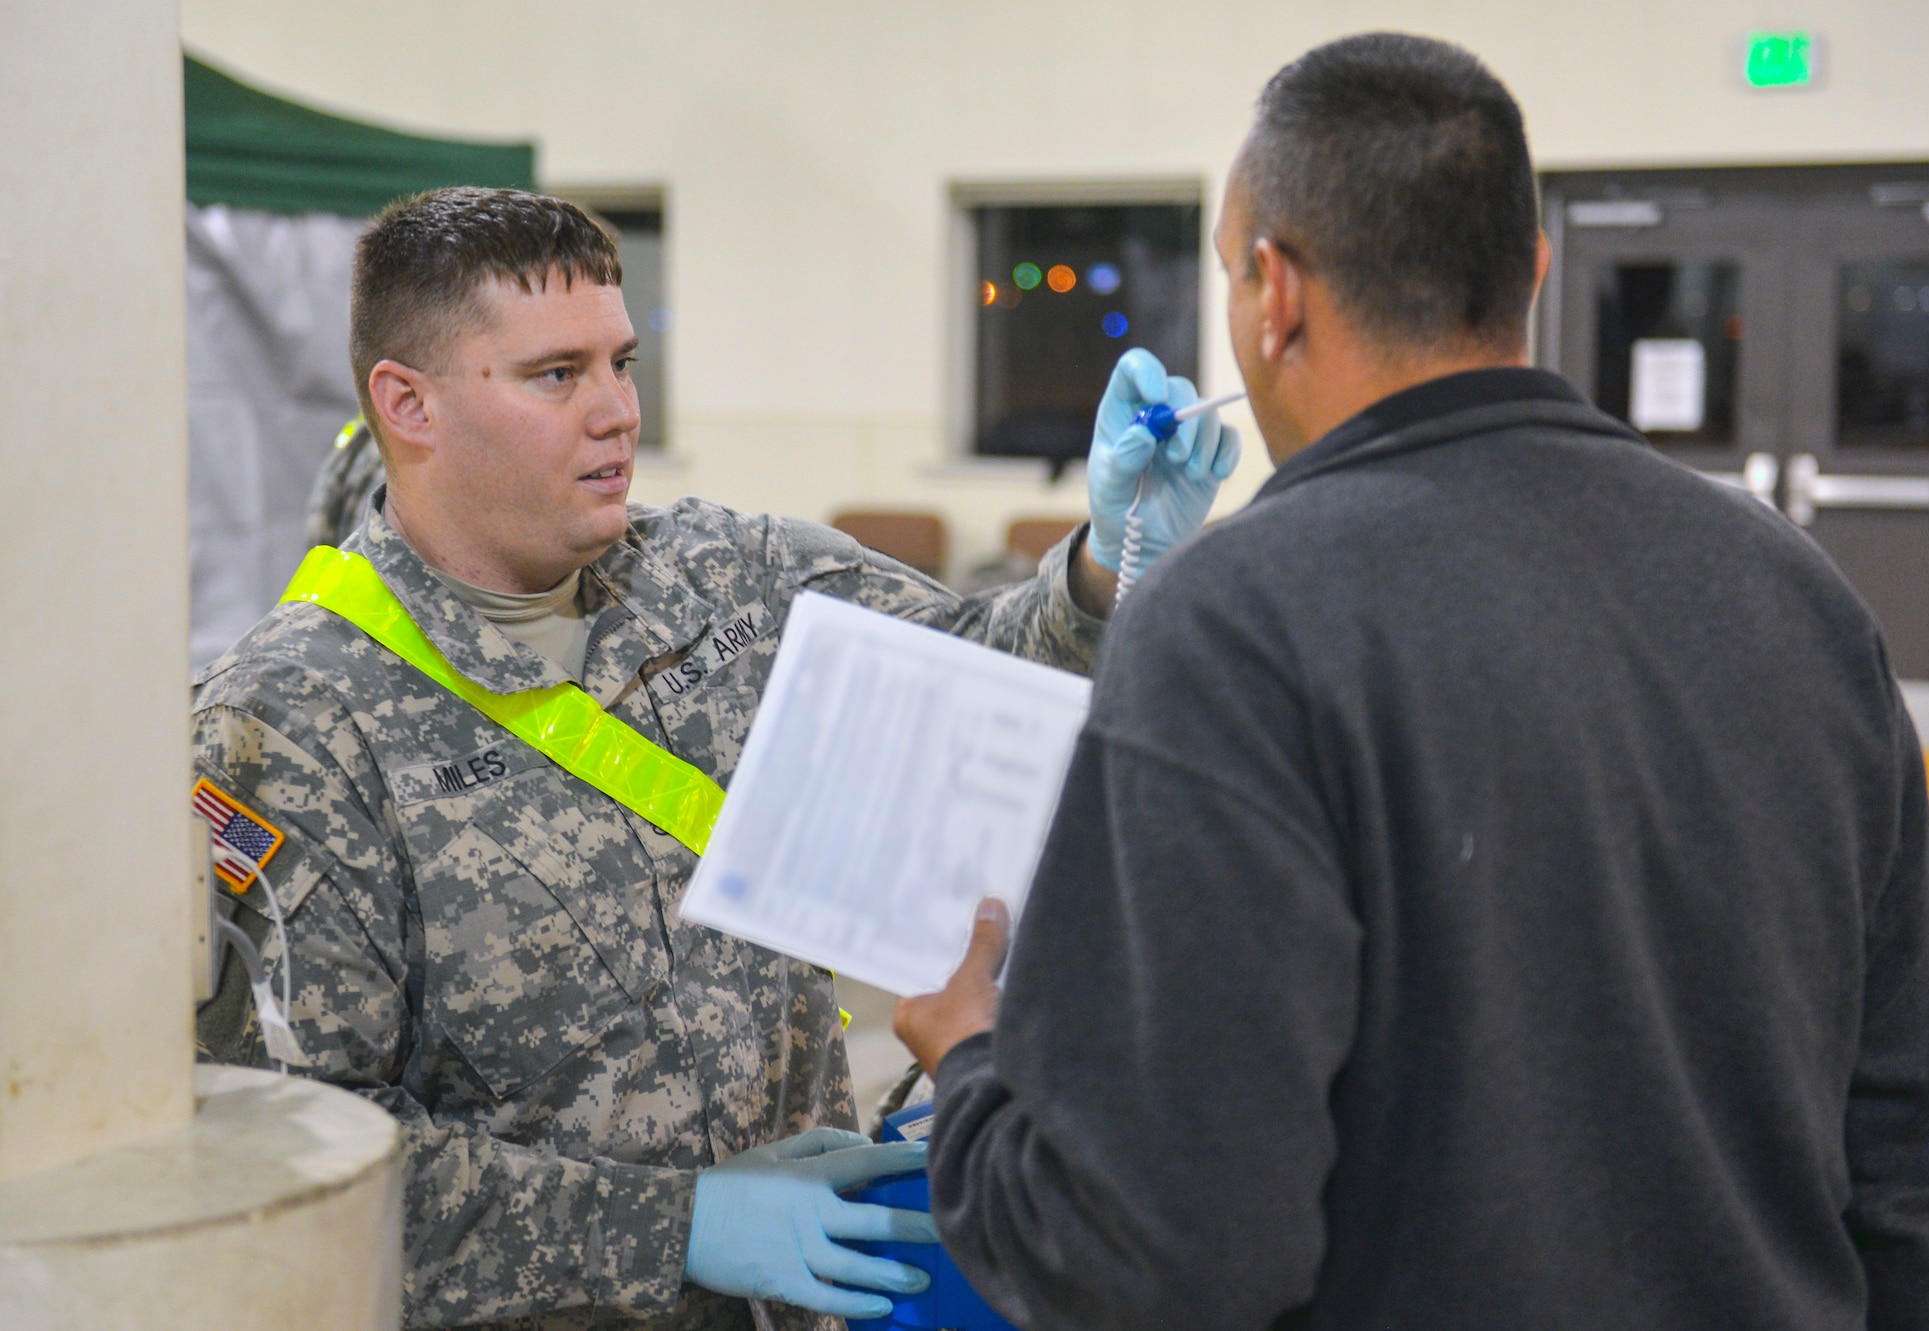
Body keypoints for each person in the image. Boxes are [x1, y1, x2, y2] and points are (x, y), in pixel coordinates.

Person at [895, 33, 1929, 1331]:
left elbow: (1157, 1249)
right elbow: (1917, 1109)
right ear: (1528, 268)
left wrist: (969, 1063)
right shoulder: (1794, 590)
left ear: (1275, 294)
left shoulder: (1232, 625)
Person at [191, 186, 1237, 1330]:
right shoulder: (291, 719)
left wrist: (1100, 564)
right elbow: (300, 1166)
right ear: (409, 405)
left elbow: (977, 672)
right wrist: (679, 1224)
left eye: (621, 362)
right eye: (556, 375)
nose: (617, 412)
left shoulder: (728, 577)